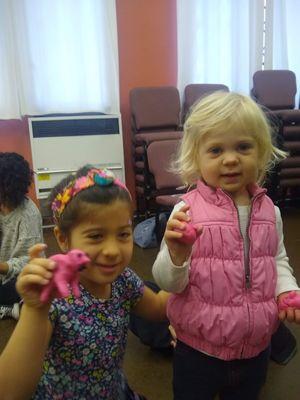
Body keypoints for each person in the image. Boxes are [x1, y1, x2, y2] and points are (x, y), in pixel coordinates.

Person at [152, 91, 300, 400]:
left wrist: (287, 290)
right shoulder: (186, 211)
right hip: (198, 351)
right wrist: (177, 256)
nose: (230, 159)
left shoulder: (269, 211)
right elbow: (167, 283)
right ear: (198, 157)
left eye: (243, 147)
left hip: (256, 349)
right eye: (216, 149)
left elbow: (277, 259)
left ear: (260, 152)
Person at [0, 165, 169, 400]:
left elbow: (160, 308)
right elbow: (9, 392)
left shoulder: (124, 281)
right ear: (63, 239)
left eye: (123, 234)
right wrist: (35, 310)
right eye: (96, 236)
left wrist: (185, 264)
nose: (112, 251)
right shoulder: (54, 300)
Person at [0, 152, 43, 320]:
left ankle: (13, 308)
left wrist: (2, 267)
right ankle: (11, 307)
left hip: (23, 275)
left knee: (30, 286)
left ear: (8, 187)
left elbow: (28, 261)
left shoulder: (27, 215)